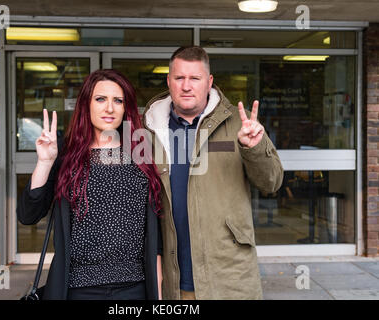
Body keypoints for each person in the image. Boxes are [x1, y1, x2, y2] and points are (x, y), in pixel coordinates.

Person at [143, 46, 284, 300]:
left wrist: (254, 148)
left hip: (228, 278)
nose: (186, 86)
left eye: (195, 78)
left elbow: (272, 182)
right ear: (169, 81)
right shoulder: (149, 129)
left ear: (209, 82)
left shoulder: (238, 125)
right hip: (173, 282)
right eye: (179, 78)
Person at [17, 69, 163, 300]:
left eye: (118, 100)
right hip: (79, 289)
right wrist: (45, 162)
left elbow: (157, 239)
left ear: (126, 108)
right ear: (86, 104)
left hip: (134, 288)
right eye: (100, 99)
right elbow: (28, 215)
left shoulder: (142, 157)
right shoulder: (67, 158)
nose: (109, 108)